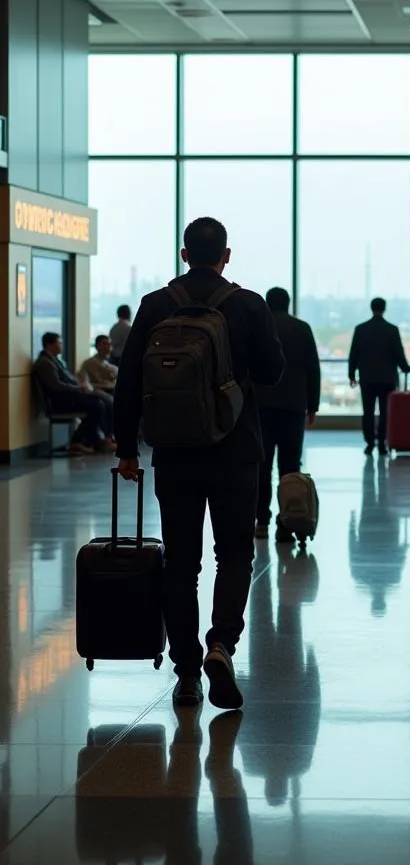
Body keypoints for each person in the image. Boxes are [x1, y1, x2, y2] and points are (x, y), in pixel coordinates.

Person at [114, 217, 285, 711]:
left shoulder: (154, 305)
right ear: (226, 256)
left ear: (184, 254)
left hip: (175, 452)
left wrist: (128, 448)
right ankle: (220, 645)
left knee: (181, 564)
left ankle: (186, 672)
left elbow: (128, 382)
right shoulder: (248, 305)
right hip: (235, 451)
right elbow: (272, 373)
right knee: (233, 554)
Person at [254, 287, 321, 542]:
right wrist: (312, 406)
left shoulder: (259, 329)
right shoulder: (302, 328)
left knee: (262, 464)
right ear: (288, 303)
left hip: (261, 408)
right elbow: (313, 369)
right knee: (290, 466)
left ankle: (261, 520)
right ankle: (288, 522)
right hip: (293, 407)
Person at [348, 297, 410, 456]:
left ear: (371, 308)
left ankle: (369, 443)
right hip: (387, 379)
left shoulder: (361, 329)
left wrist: (351, 375)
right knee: (385, 412)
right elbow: (399, 354)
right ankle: (383, 443)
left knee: (367, 412)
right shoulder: (392, 330)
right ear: (384, 309)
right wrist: (406, 368)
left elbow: (353, 354)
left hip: (367, 378)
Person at [34, 333, 113, 454]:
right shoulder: (45, 363)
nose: (61, 346)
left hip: (68, 397)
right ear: (49, 345)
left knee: (100, 402)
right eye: (59, 343)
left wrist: (81, 386)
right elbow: (56, 385)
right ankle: (80, 441)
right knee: (97, 406)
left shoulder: (54, 360)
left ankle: (97, 439)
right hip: (60, 401)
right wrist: (78, 388)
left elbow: (68, 379)